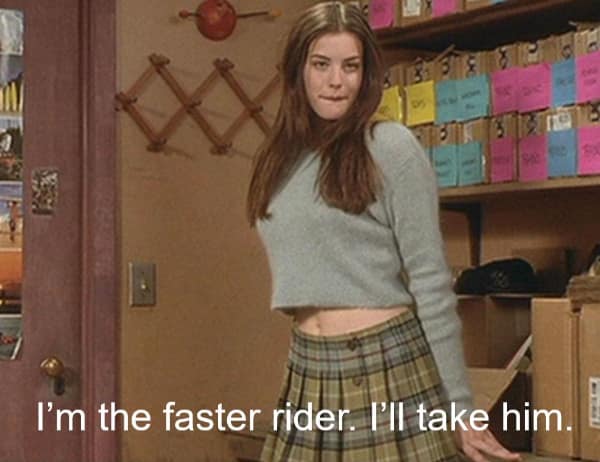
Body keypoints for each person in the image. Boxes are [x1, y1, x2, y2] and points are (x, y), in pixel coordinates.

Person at [246, 2, 521, 461]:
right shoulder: (280, 159)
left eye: (350, 66)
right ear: (298, 71)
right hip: (308, 368)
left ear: (366, 74)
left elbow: (431, 282)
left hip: (385, 364)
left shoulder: (389, 147)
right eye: (321, 64)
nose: (336, 80)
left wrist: (460, 409)